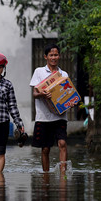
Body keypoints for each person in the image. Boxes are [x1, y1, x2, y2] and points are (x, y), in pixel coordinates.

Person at [30, 43, 69, 173]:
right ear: (45, 56)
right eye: (51, 55)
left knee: (62, 143)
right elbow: (35, 94)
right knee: (45, 148)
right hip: (43, 117)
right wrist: (42, 93)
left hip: (60, 115)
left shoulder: (63, 74)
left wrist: (71, 102)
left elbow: (68, 93)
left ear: (59, 56)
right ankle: (46, 174)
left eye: (56, 55)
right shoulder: (39, 72)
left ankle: (63, 173)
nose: (54, 57)